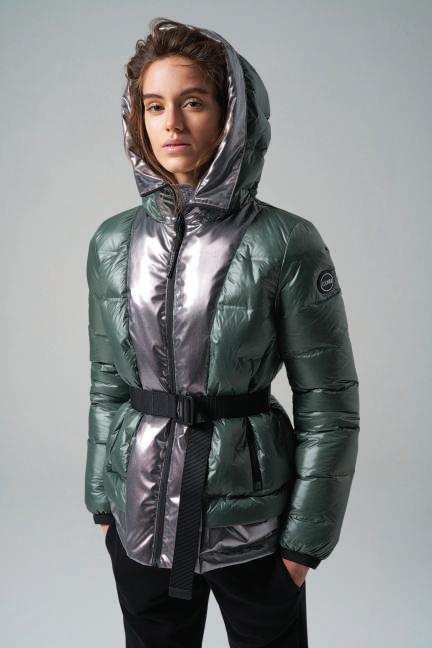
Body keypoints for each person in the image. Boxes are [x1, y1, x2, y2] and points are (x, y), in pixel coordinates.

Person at [84, 17, 360, 648]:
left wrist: (303, 546)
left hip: (257, 529)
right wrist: (102, 503)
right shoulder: (111, 242)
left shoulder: (287, 242)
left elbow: (330, 403)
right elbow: (107, 385)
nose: (172, 124)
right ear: (137, 119)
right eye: (154, 106)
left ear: (232, 115)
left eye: (193, 102)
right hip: (139, 519)